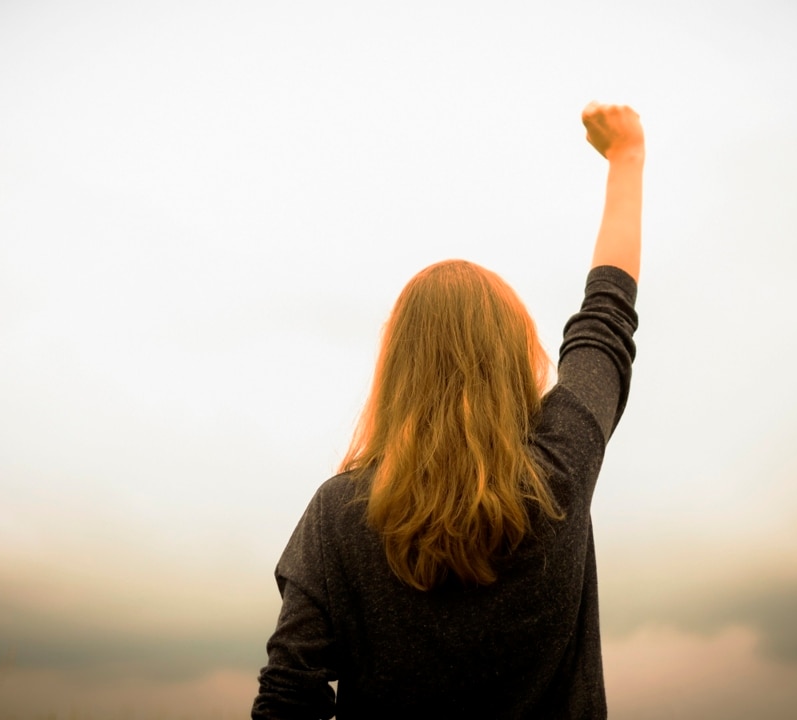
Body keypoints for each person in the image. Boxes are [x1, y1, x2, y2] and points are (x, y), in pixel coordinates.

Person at [252, 101, 644, 719]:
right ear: (514, 364)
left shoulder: (338, 514)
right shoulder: (560, 470)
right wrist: (627, 157)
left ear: (400, 371)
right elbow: (606, 317)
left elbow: (287, 697)